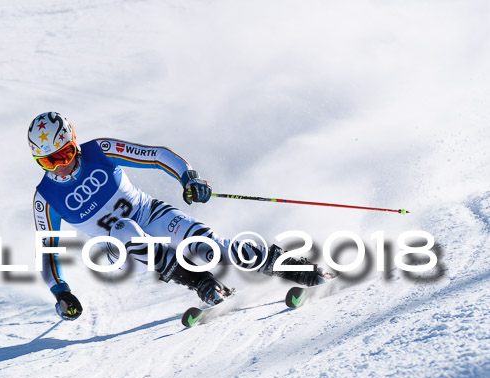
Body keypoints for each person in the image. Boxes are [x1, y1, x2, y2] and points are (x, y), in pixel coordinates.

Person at [29, 112, 328, 321]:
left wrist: (189, 177)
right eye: (47, 161)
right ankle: (199, 281)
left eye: (64, 155)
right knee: (124, 230)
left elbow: (156, 155)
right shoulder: (46, 199)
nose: (58, 167)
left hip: (152, 213)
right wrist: (61, 292)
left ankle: (289, 266)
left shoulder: (100, 151)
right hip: (121, 250)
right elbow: (48, 253)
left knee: (209, 247)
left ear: (74, 144)